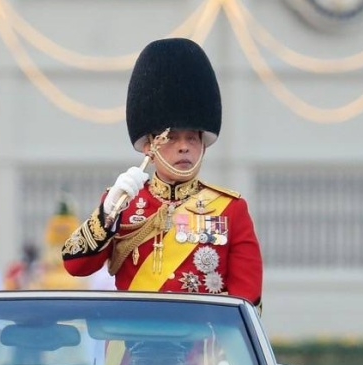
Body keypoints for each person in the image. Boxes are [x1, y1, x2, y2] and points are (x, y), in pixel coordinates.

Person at [61, 38, 263, 309]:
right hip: (130, 347)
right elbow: (76, 265)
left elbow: (247, 300)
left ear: (203, 145)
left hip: (200, 348)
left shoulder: (230, 209)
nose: (183, 147)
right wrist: (107, 212)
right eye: (171, 138)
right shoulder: (122, 202)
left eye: (192, 138)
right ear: (149, 147)